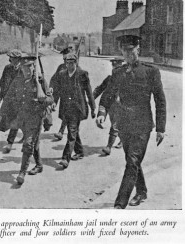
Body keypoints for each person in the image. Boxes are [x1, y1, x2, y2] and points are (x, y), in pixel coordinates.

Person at [96, 35, 166, 209]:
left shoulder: (151, 72)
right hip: (124, 123)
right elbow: (108, 94)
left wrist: (161, 128)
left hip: (143, 125)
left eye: (130, 50)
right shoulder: (118, 73)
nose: (127, 54)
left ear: (138, 50)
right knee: (131, 160)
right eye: (124, 51)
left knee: (132, 161)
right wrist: (102, 111)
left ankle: (120, 204)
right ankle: (141, 191)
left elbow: (160, 100)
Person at [0, 55, 53, 185]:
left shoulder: (40, 81)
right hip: (21, 117)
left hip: (35, 118)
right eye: (24, 67)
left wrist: (41, 100)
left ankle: (21, 172)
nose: (27, 70)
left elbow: (51, 99)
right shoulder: (17, 81)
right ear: (21, 68)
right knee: (34, 142)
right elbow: (9, 97)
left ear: (34, 67)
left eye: (30, 67)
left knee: (28, 144)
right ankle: (39, 164)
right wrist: (1, 113)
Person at [53, 53, 96, 169]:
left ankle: (65, 158)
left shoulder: (82, 74)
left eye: (72, 63)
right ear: (65, 63)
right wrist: (54, 102)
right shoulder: (62, 74)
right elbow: (57, 91)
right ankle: (80, 151)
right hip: (66, 108)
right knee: (73, 131)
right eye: (68, 63)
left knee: (71, 132)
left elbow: (89, 92)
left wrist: (93, 108)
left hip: (77, 108)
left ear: (76, 63)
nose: (70, 65)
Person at [93, 58, 124, 155]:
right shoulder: (109, 79)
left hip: (119, 107)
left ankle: (108, 147)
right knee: (109, 122)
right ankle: (122, 139)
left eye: (117, 68)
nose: (114, 70)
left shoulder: (125, 81)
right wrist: (90, 99)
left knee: (115, 125)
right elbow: (99, 89)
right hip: (107, 105)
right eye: (113, 67)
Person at [0, 49, 23, 153]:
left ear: (18, 59)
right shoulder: (7, 68)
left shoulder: (24, 69)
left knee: (15, 120)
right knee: (9, 119)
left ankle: (10, 142)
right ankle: (26, 135)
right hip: (8, 99)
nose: (10, 59)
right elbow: (2, 82)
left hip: (19, 100)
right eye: (10, 57)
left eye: (12, 58)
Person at [49, 47, 73, 140]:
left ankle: (61, 131)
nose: (65, 61)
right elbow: (54, 79)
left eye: (67, 59)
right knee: (64, 113)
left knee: (67, 113)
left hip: (72, 95)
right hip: (62, 93)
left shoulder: (76, 68)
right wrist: (51, 87)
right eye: (64, 59)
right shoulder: (61, 67)